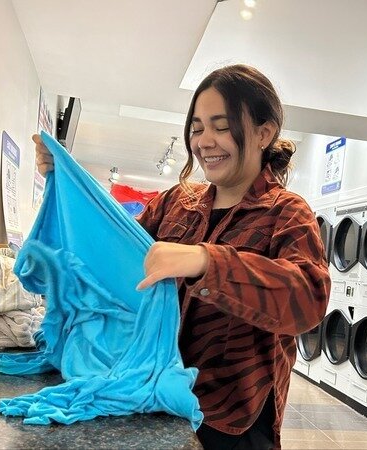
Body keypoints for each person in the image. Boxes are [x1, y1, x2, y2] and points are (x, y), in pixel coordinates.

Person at [34, 64, 330, 449]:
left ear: (264, 133)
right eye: (197, 127)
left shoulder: (286, 213)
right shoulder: (177, 203)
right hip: (152, 394)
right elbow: (115, 253)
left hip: (230, 418)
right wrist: (68, 182)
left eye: (221, 127)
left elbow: (307, 299)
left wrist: (208, 263)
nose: (205, 141)